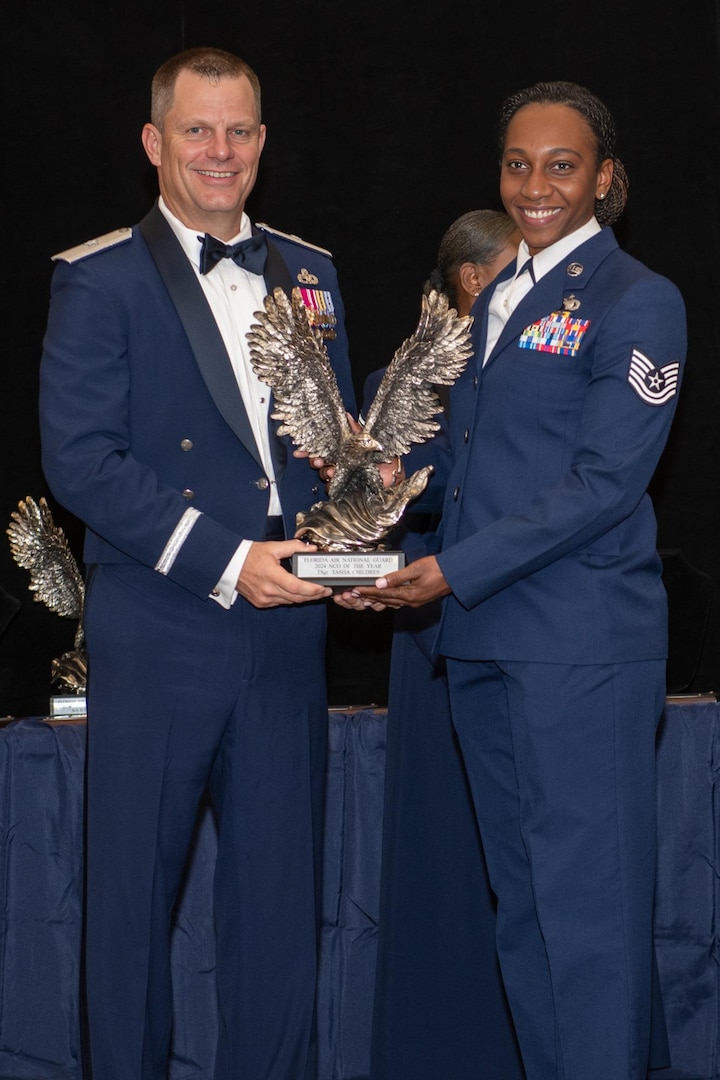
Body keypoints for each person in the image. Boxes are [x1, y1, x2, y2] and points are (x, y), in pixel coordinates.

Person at [342, 81, 686, 1079]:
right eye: (518, 165)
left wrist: (446, 571)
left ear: (605, 180)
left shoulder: (640, 300)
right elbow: (468, 456)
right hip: (486, 649)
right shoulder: (497, 296)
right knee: (527, 918)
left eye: (562, 164)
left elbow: (602, 483)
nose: (536, 184)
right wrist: (374, 492)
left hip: (578, 653)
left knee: (588, 927)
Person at [39, 46, 355, 1080]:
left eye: (239, 132)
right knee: (131, 912)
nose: (219, 152)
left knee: (277, 911)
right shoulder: (98, 278)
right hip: (167, 627)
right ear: (154, 144)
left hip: (288, 633)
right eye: (197, 131)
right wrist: (228, 562)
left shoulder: (313, 273)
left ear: (262, 144)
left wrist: (364, 512)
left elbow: (325, 450)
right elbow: (82, 461)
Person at [365, 211, 524, 1079]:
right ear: (471, 282)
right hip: (434, 637)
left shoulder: (546, 373)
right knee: (446, 865)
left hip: (531, 632)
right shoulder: (403, 386)